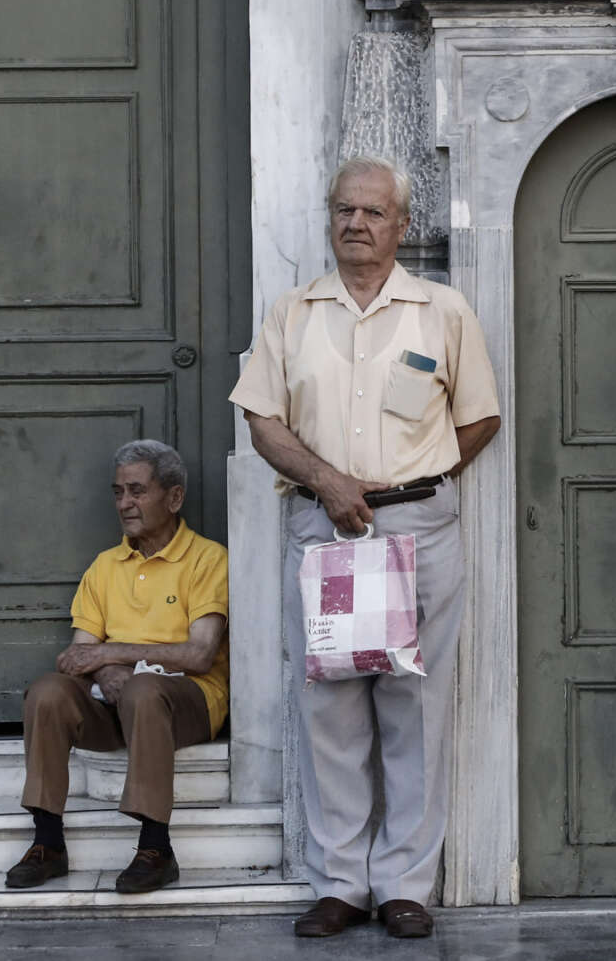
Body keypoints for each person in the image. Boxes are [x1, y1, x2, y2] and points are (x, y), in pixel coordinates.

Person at [230, 155, 501, 941]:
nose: (357, 223)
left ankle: (406, 884)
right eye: (344, 209)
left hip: (416, 530)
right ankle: (341, 882)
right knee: (331, 710)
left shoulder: (441, 310)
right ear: (330, 217)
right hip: (325, 529)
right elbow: (263, 419)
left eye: (374, 212)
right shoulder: (293, 312)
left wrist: (414, 480)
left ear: (402, 226)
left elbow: (480, 415)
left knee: (416, 707)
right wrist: (329, 479)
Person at [4, 439, 229, 895]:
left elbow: (200, 654)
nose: (125, 504)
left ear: (174, 497)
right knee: (49, 690)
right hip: (116, 702)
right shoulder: (105, 566)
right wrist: (106, 668)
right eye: (118, 492)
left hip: (188, 702)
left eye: (137, 491)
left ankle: (156, 848)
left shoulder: (208, 559)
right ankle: (48, 841)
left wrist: (112, 654)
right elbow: (78, 657)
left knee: (145, 689)